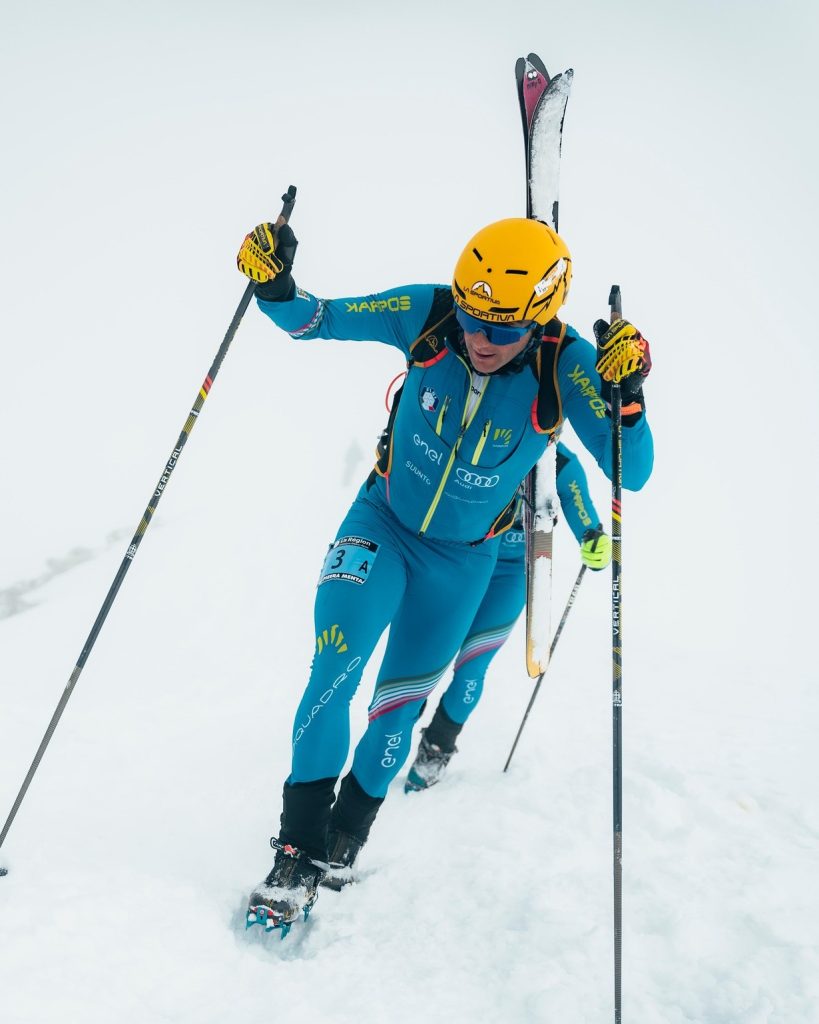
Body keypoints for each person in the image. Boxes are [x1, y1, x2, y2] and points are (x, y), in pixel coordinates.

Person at [236, 216, 654, 932]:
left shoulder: (566, 364)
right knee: (332, 669)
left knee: (395, 707)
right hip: (380, 526)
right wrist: (272, 281)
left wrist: (628, 398)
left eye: (505, 330)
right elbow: (312, 320)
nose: (482, 340)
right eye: (472, 320)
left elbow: (631, 471)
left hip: (463, 562)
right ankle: (296, 850)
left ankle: (348, 834)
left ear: (542, 317)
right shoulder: (426, 313)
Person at [404, 442, 609, 795]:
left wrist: (593, 538)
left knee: (472, 666)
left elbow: (583, 513)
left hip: (512, 571)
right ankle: (396, 725)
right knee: (429, 654)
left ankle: (437, 747)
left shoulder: (560, 463)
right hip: (463, 561)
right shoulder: (488, 446)